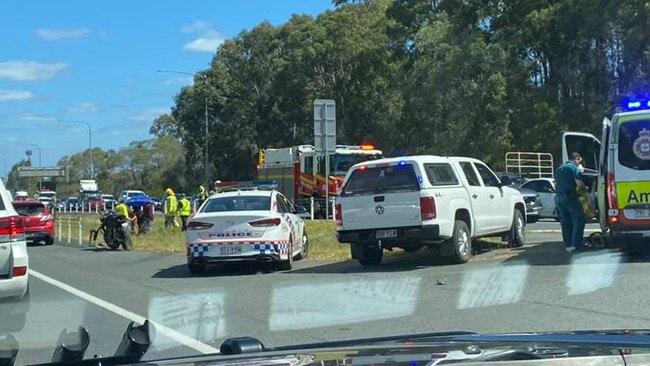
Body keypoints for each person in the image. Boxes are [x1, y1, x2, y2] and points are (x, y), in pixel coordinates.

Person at [554, 152, 587, 252]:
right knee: (578, 220)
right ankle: (576, 245)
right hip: (570, 197)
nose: (579, 163)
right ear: (576, 159)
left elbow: (556, 184)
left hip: (559, 198)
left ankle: (568, 245)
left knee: (565, 222)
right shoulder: (574, 168)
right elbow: (580, 184)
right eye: (579, 161)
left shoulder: (559, 169)